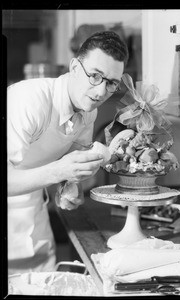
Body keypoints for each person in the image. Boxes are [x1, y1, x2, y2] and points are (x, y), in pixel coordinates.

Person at [7, 31, 129, 275]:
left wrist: (69, 188)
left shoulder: (87, 110)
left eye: (111, 83)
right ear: (75, 67)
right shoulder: (29, 100)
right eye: (95, 76)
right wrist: (59, 172)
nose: (100, 92)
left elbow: (70, 164)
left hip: (33, 217)